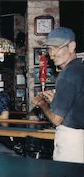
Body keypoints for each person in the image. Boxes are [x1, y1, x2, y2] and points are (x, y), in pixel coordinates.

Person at [33, 27, 84, 163]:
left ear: (72, 46)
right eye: (49, 49)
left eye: (56, 48)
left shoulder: (66, 75)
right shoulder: (79, 69)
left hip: (72, 142)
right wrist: (55, 100)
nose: (52, 54)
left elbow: (56, 120)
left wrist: (42, 104)